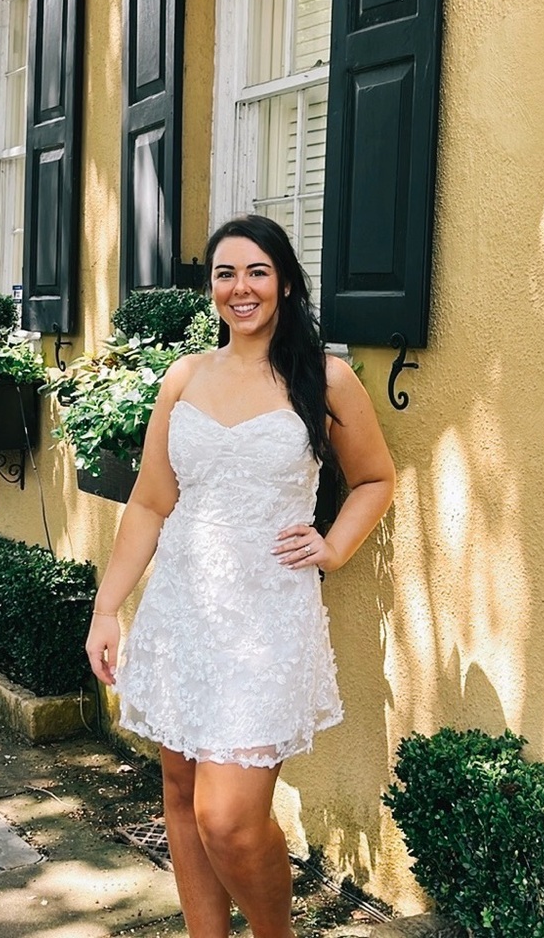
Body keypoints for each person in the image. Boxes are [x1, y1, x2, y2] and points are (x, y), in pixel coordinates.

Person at [85, 214, 396, 938]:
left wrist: (334, 545)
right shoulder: (185, 376)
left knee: (228, 818)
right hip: (181, 611)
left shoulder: (326, 378)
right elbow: (150, 503)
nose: (240, 288)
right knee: (181, 789)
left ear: (285, 282)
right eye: (225, 274)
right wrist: (108, 610)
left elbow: (376, 478)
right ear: (212, 289)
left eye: (256, 271)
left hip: (266, 619)